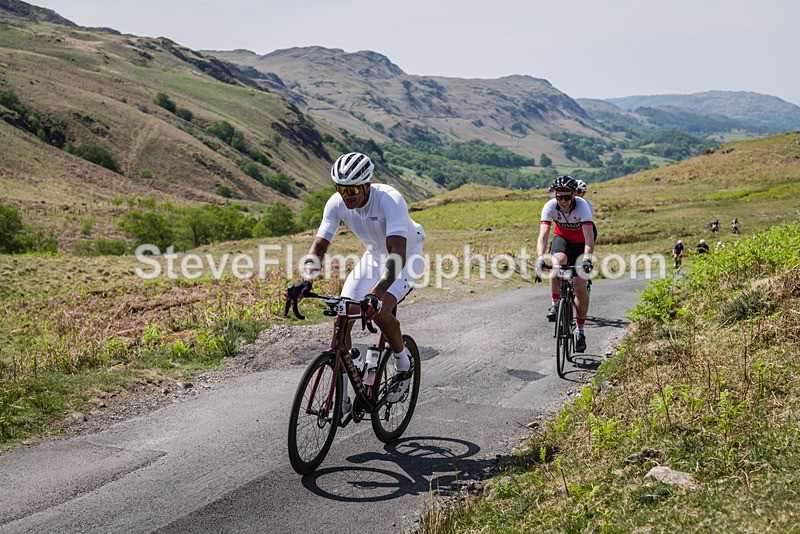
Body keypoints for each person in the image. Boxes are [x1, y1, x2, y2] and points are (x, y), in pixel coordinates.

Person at [291, 152, 426, 411]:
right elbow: (319, 246)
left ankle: (402, 361)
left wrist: (375, 293)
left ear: (367, 185)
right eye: (341, 188)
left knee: (379, 309)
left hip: (406, 258)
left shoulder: (390, 200)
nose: (347, 195)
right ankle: (341, 394)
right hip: (374, 258)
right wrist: (305, 280)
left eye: (353, 188)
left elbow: (396, 254)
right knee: (341, 315)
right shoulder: (336, 203)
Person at [535, 175, 595, 353]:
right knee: (556, 263)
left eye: (566, 197)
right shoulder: (550, 206)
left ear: (574, 195)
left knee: (579, 285)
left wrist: (586, 260)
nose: (562, 201)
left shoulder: (583, 206)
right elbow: (543, 236)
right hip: (562, 239)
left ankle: (580, 331)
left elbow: (589, 240)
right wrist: (540, 258)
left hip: (581, 242)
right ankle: (555, 303)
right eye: (559, 196)